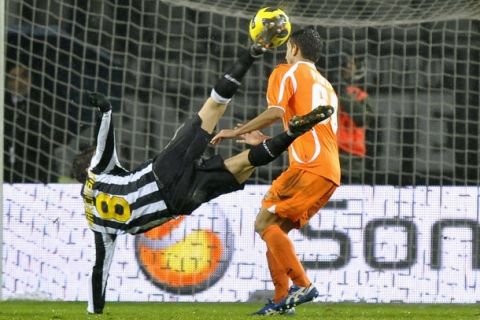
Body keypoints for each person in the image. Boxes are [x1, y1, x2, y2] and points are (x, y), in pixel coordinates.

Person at [72, 21, 334, 314]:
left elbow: (100, 269)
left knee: (243, 164)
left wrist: (95, 310)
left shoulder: (98, 225)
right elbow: (104, 141)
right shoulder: (98, 172)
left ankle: (290, 134)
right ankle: (253, 54)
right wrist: (105, 110)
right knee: (213, 108)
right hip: (161, 173)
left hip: (178, 203)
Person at [212, 27, 340, 315]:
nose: (284, 53)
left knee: (262, 223)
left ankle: (303, 285)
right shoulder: (326, 85)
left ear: (293, 48)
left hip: (309, 165)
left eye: (286, 48)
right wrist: (266, 141)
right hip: (328, 170)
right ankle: (282, 300)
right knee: (276, 229)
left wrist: (237, 131)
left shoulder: (287, 72)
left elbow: (276, 112)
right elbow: (313, 131)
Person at [336, 56, 373, 184]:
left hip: (350, 159)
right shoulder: (323, 89)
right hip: (325, 154)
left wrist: (341, 91)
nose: (348, 67)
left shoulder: (359, 95)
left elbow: (362, 119)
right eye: (345, 63)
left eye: (351, 64)